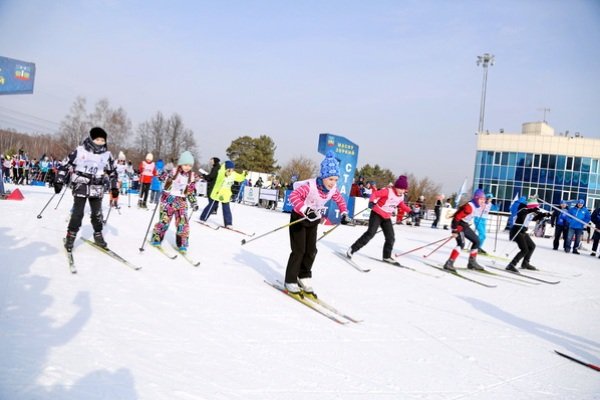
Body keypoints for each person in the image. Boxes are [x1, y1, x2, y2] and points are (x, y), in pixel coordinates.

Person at [284, 151, 349, 294]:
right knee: (299, 250)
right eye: (331, 179)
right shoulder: (310, 186)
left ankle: (304, 276)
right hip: (299, 219)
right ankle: (290, 279)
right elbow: (294, 196)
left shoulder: (332, 190)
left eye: (336, 180)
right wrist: (305, 210)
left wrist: (344, 213)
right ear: (324, 176)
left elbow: (340, 201)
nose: (333, 183)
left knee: (311, 250)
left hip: (313, 221)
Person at [54, 127, 118, 251]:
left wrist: (114, 186)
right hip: (81, 184)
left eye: (102, 140)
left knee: (97, 214)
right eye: (97, 139)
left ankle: (98, 234)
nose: (100, 142)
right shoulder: (80, 151)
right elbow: (65, 165)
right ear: (91, 138)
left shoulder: (107, 155)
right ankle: (71, 236)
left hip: (97, 185)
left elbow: (112, 172)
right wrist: (59, 180)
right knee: (78, 213)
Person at [346, 175, 410, 263]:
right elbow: (375, 194)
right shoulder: (388, 191)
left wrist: (410, 211)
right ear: (396, 187)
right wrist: (371, 201)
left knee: (390, 237)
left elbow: (401, 204)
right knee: (370, 233)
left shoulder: (401, 196)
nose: (402, 191)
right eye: (401, 189)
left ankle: (386, 256)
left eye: (404, 189)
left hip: (386, 217)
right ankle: (352, 249)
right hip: (376, 214)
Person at [150, 151, 199, 254]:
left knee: (183, 223)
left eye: (190, 165)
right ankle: (156, 238)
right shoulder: (173, 171)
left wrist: (193, 202)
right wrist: (163, 172)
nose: (187, 167)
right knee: (164, 221)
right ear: (181, 163)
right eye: (185, 164)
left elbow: (190, 192)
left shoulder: (192, 176)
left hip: (181, 202)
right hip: (168, 200)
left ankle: (182, 244)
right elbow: (160, 177)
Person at [442, 189, 487, 272]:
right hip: (458, 225)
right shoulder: (469, 206)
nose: (482, 201)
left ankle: (472, 263)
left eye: (483, 200)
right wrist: (455, 230)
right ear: (476, 198)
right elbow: (457, 217)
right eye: (481, 199)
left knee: (477, 241)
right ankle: (449, 263)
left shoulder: (477, 206)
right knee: (461, 244)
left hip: (464, 225)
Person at [506, 197, 549, 271]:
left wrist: (544, 215)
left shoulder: (529, 212)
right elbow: (523, 217)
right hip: (517, 231)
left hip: (522, 232)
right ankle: (511, 264)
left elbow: (534, 218)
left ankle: (525, 263)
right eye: (535, 207)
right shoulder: (523, 210)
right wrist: (533, 211)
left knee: (532, 246)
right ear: (531, 206)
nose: (537, 209)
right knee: (524, 249)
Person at [199, 160, 246, 227]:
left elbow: (240, 178)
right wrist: (225, 173)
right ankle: (203, 218)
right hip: (218, 192)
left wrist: (244, 174)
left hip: (226, 194)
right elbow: (220, 176)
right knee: (212, 205)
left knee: (226, 208)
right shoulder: (221, 172)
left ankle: (228, 223)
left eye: (232, 169)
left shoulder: (233, 174)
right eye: (230, 169)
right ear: (226, 168)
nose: (231, 170)